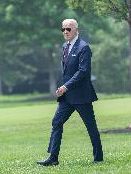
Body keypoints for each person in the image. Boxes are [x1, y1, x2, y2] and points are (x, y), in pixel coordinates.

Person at [36, 19, 103, 166]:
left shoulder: (84, 48)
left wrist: (65, 86)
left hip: (82, 95)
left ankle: (98, 158)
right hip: (67, 96)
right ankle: (53, 158)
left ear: (76, 30)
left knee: (90, 126)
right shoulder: (64, 46)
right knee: (56, 122)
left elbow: (83, 72)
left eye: (69, 29)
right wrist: (63, 88)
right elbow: (67, 72)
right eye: (63, 29)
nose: (65, 32)